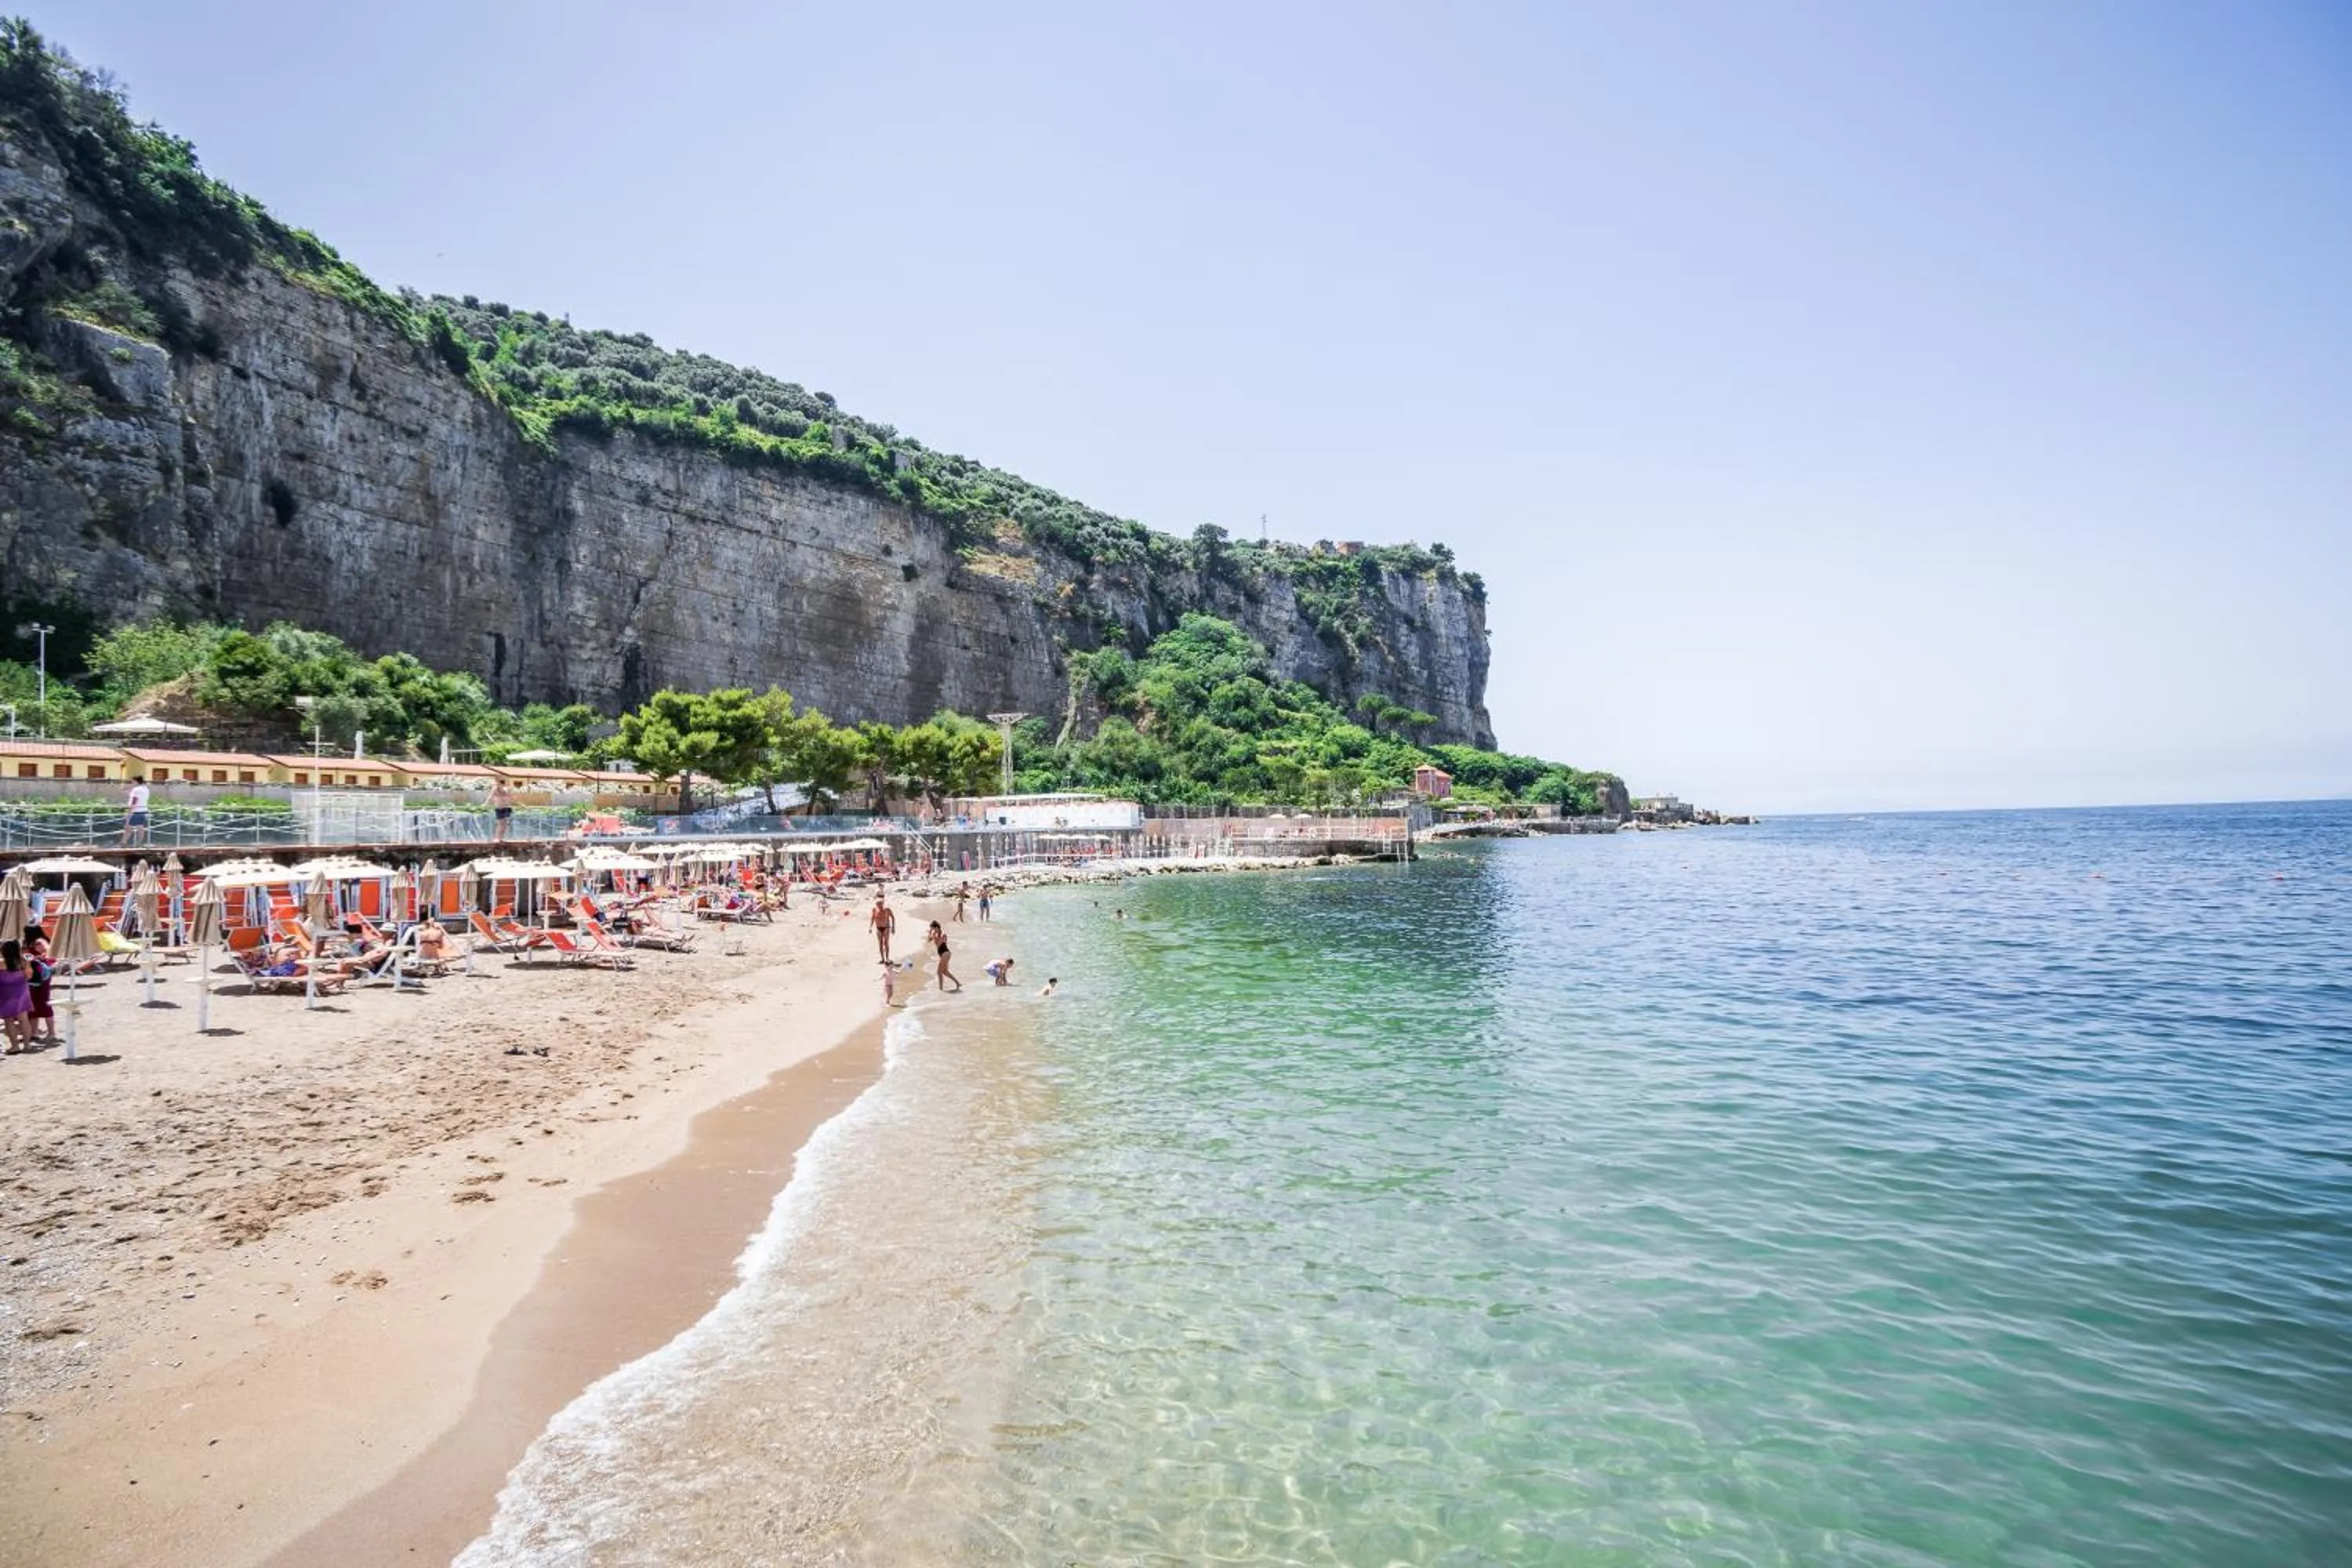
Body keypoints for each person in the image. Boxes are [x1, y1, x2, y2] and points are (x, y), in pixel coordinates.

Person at [24, 924, 56, 1045]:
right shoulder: (31, 943)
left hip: (40, 974)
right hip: (35, 975)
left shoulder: (39, 941)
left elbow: (49, 953)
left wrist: (36, 957)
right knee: (33, 1003)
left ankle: (51, 1032)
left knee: (43, 1003)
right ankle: (34, 1032)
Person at [0, 940, 33, 1054]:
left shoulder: (1, 963)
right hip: (21, 992)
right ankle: (27, 1045)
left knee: (9, 1021)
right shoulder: (24, 962)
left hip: (5, 993)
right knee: (24, 1020)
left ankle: (15, 1046)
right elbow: (29, 976)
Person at [929, 920, 960, 992]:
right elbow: (928, 940)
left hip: (945, 953)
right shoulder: (934, 935)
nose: (933, 930)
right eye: (932, 929)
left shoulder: (943, 934)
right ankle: (958, 983)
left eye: (933, 928)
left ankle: (941, 989)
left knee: (939, 972)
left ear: (937, 927)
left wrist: (935, 936)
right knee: (945, 972)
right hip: (942, 955)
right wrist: (931, 934)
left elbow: (942, 942)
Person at [122, 777, 151, 846]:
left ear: (136, 782)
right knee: (140, 827)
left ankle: (123, 843)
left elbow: (134, 800)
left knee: (128, 827)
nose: (132, 784)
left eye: (132, 782)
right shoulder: (146, 789)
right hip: (143, 810)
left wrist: (129, 811)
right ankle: (139, 843)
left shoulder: (136, 790)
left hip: (135, 811)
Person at [869, 893, 896, 962]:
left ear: (883, 903)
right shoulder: (874, 910)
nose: (879, 905)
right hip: (878, 928)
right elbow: (872, 918)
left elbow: (893, 917)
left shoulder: (887, 909)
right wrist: (870, 927)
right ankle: (882, 959)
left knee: (886, 943)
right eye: (878, 904)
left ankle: (887, 958)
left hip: (886, 928)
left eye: (880, 903)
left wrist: (893, 928)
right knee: (880, 943)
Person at [490, 778, 515, 842]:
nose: (498, 785)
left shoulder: (506, 790)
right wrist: (485, 804)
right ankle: (497, 838)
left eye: (500, 784)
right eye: (497, 784)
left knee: (505, 824)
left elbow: (512, 798)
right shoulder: (495, 790)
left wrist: (522, 805)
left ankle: (502, 838)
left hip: (507, 808)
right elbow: (490, 797)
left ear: (503, 784)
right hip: (499, 808)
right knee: (500, 823)